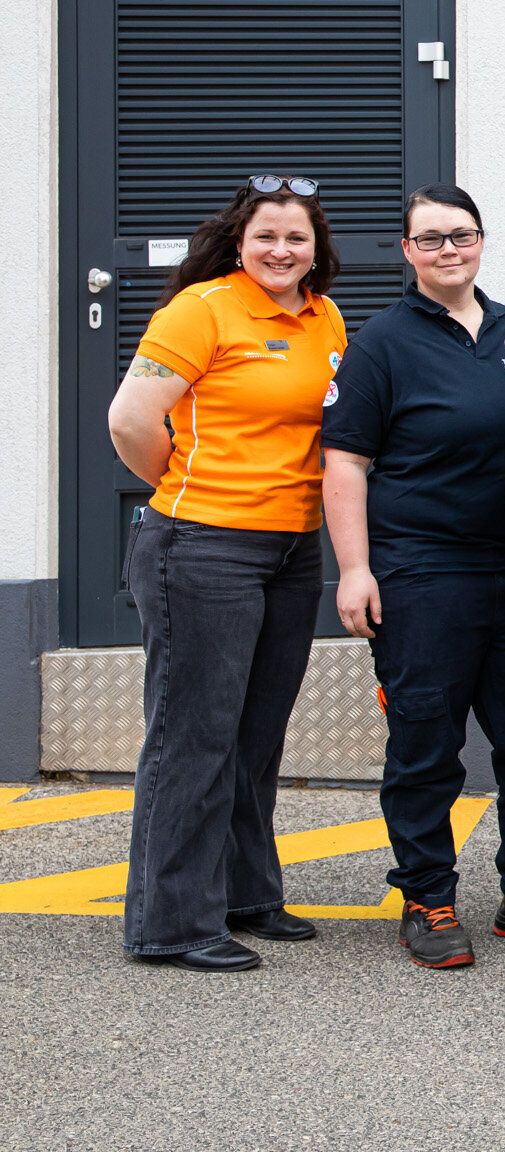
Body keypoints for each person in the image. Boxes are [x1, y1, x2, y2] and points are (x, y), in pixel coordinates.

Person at [323, 183, 505, 970]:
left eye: (461, 235)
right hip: (421, 573)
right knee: (426, 744)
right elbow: (344, 463)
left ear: (481, 241)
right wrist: (353, 570)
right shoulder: (381, 343)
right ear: (407, 252)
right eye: (431, 239)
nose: (449, 250)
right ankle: (428, 897)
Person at [106, 175, 348, 971]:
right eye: (267, 237)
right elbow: (131, 420)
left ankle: (245, 894)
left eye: (297, 239)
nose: (282, 251)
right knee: (193, 735)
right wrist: (184, 489)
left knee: (255, 735)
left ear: (317, 250)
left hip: (291, 549)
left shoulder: (324, 318)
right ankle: (171, 923)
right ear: (240, 242)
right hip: (202, 545)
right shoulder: (203, 309)